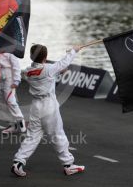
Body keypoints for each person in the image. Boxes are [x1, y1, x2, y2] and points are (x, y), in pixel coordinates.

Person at [11, 44, 85, 177]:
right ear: (45, 57)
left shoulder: (27, 72)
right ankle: (68, 165)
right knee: (58, 134)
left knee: (32, 136)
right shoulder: (49, 69)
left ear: (31, 56)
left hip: (35, 107)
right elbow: (64, 63)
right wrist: (73, 50)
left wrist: (59, 70)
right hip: (49, 106)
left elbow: (48, 73)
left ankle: (18, 161)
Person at [0, 53, 26, 134]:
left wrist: (16, 80)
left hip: (8, 75)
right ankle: (12, 124)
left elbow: (16, 66)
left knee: (10, 100)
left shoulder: (11, 51)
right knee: (1, 101)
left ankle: (20, 121)